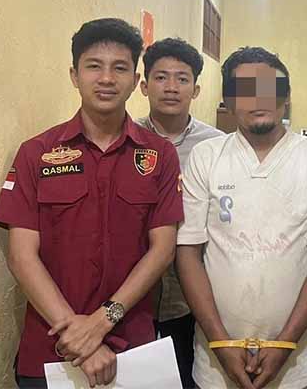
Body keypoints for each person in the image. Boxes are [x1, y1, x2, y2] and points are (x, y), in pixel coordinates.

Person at [0, 18, 183, 388]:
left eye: (119, 68)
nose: (106, 78)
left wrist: (102, 321)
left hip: (134, 352)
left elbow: (162, 250)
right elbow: (21, 256)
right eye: (94, 66)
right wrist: (79, 336)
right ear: (74, 76)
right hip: (51, 350)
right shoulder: (36, 153)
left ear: (134, 80)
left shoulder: (159, 155)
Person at [175, 46, 307, 389]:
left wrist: (285, 344)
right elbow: (188, 253)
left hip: (296, 364)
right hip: (214, 364)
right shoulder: (206, 157)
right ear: (228, 101)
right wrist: (220, 343)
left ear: (286, 95)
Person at [136, 37, 223, 388]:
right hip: (133, 296)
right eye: (161, 77)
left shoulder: (217, 146)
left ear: (196, 89)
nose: (171, 87)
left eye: (182, 78)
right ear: (144, 86)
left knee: (189, 377)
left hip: (194, 299)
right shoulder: (126, 139)